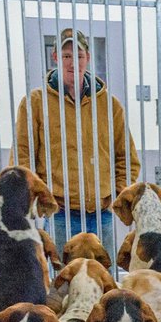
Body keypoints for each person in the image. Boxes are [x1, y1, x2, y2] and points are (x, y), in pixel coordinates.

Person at [12, 28, 139, 251]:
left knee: (105, 280)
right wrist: (42, 199)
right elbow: (23, 158)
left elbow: (127, 158)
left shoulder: (110, 106)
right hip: (60, 215)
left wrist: (115, 195)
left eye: (78, 56)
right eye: (66, 56)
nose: (73, 63)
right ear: (55, 58)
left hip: (102, 215)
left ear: (87, 58)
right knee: (64, 280)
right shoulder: (35, 104)